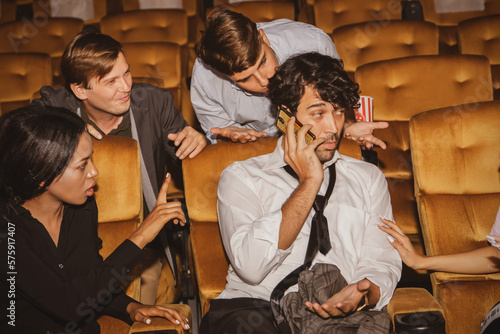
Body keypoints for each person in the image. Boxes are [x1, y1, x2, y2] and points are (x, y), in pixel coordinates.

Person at [199, 53, 401, 333]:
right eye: (318, 113)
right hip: (255, 309)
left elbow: (380, 259)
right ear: (285, 116)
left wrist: (365, 293)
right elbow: (251, 267)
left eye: (339, 111)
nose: (333, 128)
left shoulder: (368, 178)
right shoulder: (242, 177)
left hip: (333, 309)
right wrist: (308, 183)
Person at [31, 32, 207, 304]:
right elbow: (17, 136)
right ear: (79, 90)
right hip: (75, 243)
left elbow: (186, 165)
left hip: (143, 240)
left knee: (137, 308)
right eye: (111, 81)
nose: (125, 86)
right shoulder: (56, 107)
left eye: (126, 73)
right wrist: (68, 126)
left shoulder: (153, 103)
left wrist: (197, 142)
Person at [0, 105, 190, 333]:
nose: (94, 172)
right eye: (82, 165)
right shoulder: (7, 232)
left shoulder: (82, 208)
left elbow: (88, 280)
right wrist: (141, 235)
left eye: (91, 159)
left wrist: (128, 306)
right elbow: (69, 304)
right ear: (40, 175)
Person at [191, 8, 388, 146]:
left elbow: (333, 109)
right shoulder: (206, 78)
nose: (264, 80)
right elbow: (218, 137)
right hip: (253, 157)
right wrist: (230, 138)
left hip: (316, 145)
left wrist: (346, 129)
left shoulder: (314, 44)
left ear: (263, 38)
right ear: (222, 75)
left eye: (262, 62)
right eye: (245, 79)